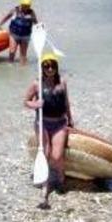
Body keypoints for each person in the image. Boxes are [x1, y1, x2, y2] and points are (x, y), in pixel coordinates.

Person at [24, 53, 74, 210]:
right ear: (42, 67)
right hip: (42, 123)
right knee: (45, 154)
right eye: (46, 66)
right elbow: (25, 101)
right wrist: (35, 104)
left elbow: (66, 103)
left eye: (53, 66)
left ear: (56, 67)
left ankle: (60, 178)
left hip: (59, 123)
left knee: (56, 156)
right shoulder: (36, 84)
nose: (50, 69)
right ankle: (45, 194)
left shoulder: (62, 83)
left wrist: (70, 119)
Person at [0, 0, 38, 64]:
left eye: (28, 6)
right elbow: (7, 16)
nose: (26, 7)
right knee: (12, 51)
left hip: (25, 36)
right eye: (24, 5)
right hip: (14, 35)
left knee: (23, 54)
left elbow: (36, 22)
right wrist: (0, 24)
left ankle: (22, 68)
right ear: (21, 4)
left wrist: (39, 27)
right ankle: (10, 66)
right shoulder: (15, 10)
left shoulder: (31, 12)